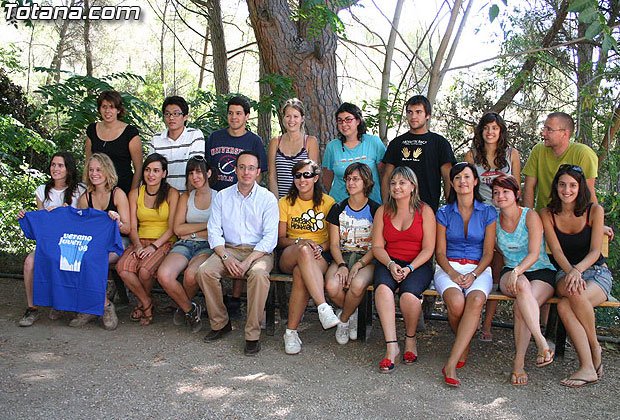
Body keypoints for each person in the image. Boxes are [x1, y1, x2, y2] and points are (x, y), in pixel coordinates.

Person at [196, 151, 278, 356]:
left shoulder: (268, 199)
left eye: (251, 168)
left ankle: (252, 335)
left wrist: (248, 262)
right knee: (204, 272)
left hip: (258, 252)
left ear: (258, 172)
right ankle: (220, 324)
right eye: (242, 167)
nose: (246, 172)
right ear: (235, 169)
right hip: (229, 249)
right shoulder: (223, 196)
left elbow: (270, 239)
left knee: (259, 275)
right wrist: (225, 256)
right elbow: (214, 230)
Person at [541, 164, 612, 387]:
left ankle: (587, 366)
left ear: (580, 187)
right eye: (562, 184)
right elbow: (558, 251)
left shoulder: (594, 211)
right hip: (565, 272)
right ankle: (595, 347)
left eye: (572, 185)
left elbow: (595, 251)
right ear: (556, 187)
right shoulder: (547, 213)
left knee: (564, 305)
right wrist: (571, 272)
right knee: (574, 289)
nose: (567, 190)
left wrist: (578, 270)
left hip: (596, 273)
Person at [434, 162, 496, 387]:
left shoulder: (488, 211)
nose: (462, 182)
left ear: (476, 181)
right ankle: (465, 343)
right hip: (448, 267)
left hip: (478, 268)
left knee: (476, 299)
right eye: (458, 178)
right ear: (451, 183)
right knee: (457, 303)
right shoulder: (443, 212)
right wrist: (451, 273)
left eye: (467, 177)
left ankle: (451, 362)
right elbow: (439, 252)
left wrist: (474, 274)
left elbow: (489, 252)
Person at [205, 95, 268, 315]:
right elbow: (208, 168)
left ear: (247, 116)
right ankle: (221, 316)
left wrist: (251, 194)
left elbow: (256, 172)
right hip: (221, 195)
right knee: (228, 241)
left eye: (239, 113)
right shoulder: (215, 138)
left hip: (246, 196)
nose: (234, 117)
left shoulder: (254, 141)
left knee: (246, 233)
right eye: (230, 112)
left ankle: (236, 299)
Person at [492, 175, 556, 386]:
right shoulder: (493, 220)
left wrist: (518, 271)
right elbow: (497, 252)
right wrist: (514, 273)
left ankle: (518, 363)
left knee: (521, 305)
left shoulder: (530, 216)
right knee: (521, 288)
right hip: (511, 273)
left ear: (516, 195)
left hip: (540, 272)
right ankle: (541, 341)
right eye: (496, 193)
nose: (500, 196)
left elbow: (534, 253)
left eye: (505, 192)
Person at [371, 166, 436, 373]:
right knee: (382, 290)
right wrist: (390, 264)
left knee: (409, 297)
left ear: (412, 186)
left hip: (417, 263)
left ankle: (410, 339)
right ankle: (392, 347)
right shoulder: (383, 211)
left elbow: (429, 249)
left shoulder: (425, 211)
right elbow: (378, 247)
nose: (396, 187)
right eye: (393, 183)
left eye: (402, 183)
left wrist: (409, 268)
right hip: (389, 261)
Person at [465, 112, 521, 342]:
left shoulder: (511, 155)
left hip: (505, 217)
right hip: (480, 215)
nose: (490, 132)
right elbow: (466, 188)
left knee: (497, 270)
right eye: (486, 128)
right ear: (480, 131)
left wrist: (519, 220)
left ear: (501, 131)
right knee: (480, 265)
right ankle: (471, 318)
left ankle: (487, 324)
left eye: (495, 128)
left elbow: (516, 188)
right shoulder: (472, 155)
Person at [18, 152, 85, 327]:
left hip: (71, 243)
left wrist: (64, 212)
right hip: (48, 242)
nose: (55, 169)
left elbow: (82, 220)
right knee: (29, 263)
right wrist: (27, 217)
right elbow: (41, 224)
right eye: (53, 165)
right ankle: (32, 308)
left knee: (63, 260)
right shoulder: (42, 191)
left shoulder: (80, 190)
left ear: (69, 168)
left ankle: (63, 303)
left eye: (60, 165)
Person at [280, 159, 337, 355]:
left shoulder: (328, 203)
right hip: (290, 253)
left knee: (300, 274)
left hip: (318, 255)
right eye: (297, 176)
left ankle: (291, 332)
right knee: (303, 251)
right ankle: (323, 306)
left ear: (315, 177)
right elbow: (280, 239)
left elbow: (333, 240)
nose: (301, 179)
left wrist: (320, 247)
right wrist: (301, 241)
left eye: (306, 175)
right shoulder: (285, 202)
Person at [116, 153, 179, 326]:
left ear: (164, 174)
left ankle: (142, 304)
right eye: (148, 170)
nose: (151, 174)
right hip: (140, 239)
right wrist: (136, 245)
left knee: (144, 270)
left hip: (163, 241)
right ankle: (146, 302)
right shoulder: (135, 193)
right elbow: (133, 225)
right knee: (123, 268)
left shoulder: (172, 193)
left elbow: (172, 227)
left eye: (156, 171)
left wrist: (153, 246)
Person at [157, 156, 217, 333]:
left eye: (199, 171)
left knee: (191, 275)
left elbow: (219, 231)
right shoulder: (186, 197)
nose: (195, 176)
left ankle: (181, 307)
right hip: (184, 244)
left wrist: (191, 231)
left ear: (209, 173)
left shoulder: (220, 197)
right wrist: (206, 225)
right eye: (191, 173)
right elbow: (177, 228)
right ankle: (190, 309)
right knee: (164, 275)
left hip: (207, 246)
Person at [325, 163, 380, 345]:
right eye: (348, 179)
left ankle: (343, 319)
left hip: (367, 259)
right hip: (343, 256)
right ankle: (351, 311)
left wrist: (359, 264)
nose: (351, 182)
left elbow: (378, 245)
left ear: (366, 182)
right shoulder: (337, 209)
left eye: (356, 179)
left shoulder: (376, 210)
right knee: (332, 286)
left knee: (357, 285)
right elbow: (333, 244)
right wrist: (341, 265)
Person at [73, 153, 130, 330]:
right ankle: (103, 304)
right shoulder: (85, 198)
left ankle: (97, 307)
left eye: (98, 169)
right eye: (91, 170)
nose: (94, 173)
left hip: (118, 241)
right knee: (76, 259)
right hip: (93, 243)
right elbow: (79, 228)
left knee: (95, 262)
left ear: (107, 171)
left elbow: (128, 228)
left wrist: (117, 221)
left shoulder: (117, 194)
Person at [381, 95, 456, 212]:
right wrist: (386, 207)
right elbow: (386, 176)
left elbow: (448, 178)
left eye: (418, 112)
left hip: (429, 208)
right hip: (399, 209)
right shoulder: (397, 143)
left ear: (428, 115)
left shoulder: (439, 143)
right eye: (410, 112)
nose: (413, 116)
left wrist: (451, 208)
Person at [522, 112, 598, 212]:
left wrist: (597, 222)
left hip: (574, 219)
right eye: (544, 128)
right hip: (543, 216)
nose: (543, 133)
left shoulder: (583, 153)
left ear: (565, 134)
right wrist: (527, 217)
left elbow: (589, 192)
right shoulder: (538, 150)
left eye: (549, 129)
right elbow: (529, 187)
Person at [322, 103, 385, 204]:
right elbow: (327, 177)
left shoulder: (374, 142)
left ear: (358, 121)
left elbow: (384, 174)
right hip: (340, 204)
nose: (344, 124)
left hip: (371, 205)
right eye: (340, 121)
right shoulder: (332, 147)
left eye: (348, 119)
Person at [85, 90, 143, 195]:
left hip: (123, 188)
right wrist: (87, 188)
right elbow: (88, 162)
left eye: (111, 107)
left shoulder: (130, 133)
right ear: (99, 109)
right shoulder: (92, 130)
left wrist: (132, 193)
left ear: (118, 110)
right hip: (98, 190)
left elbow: (138, 168)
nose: (107, 111)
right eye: (104, 107)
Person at [149, 96, 205, 193]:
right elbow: (151, 170)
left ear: (185, 116)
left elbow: (195, 167)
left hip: (189, 195)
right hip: (163, 196)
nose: (171, 118)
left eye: (176, 114)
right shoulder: (156, 139)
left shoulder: (194, 135)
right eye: (167, 114)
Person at [268, 98, 319, 198]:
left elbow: (312, 177)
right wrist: (276, 203)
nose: (291, 120)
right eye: (288, 116)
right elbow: (272, 177)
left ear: (302, 118)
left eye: (296, 116)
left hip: (303, 202)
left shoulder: (310, 142)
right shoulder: (275, 142)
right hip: (281, 202)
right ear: (283, 118)